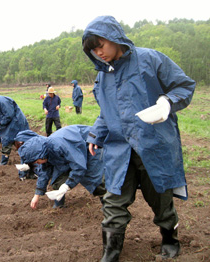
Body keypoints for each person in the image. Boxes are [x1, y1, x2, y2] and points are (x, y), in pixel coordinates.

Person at [82, 16, 196, 261]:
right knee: (113, 200)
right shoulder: (103, 76)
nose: (98, 52)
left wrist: (167, 101)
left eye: (100, 44)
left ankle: (170, 239)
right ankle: (110, 253)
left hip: (153, 143)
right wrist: (96, 134)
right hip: (118, 149)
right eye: (92, 48)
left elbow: (184, 86)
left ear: (114, 38)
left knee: (161, 199)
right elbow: (107, 111)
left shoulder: (150, 59)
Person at [17, 125, 106, 209]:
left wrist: (67, 186)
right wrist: (37, 195)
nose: (38, 163)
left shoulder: (59, 146)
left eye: (37, 161)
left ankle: (108, 205)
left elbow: (79, 167)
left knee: (93, 178)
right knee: (57, 178)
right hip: (73, 154)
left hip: (89, 146)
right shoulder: (45, 151)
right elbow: (44, 173)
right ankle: (59, 206)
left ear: (41, 155)